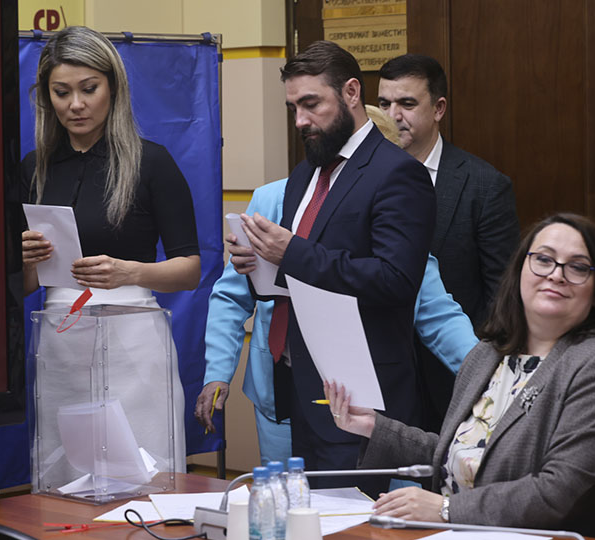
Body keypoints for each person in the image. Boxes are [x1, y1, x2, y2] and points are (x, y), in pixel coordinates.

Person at [325, 213, 595, 538]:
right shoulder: (487, 354)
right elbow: (468, 454)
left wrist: (446, 509)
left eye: (578, 267)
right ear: (519, 271)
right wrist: (374, 427)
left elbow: (559, 492)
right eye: (543, 260)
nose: (557, 274)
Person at [196, 110, 477, 467]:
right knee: (284, 490)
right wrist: (217, 372)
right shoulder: (273, 199)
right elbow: (231, 295)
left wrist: (489, 377)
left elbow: (438, 314)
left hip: (351, 393)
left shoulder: (392, 215)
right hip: (277, 383)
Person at [231, 41, 436, 493]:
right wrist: (260, 265)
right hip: (304, 389)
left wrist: (290, 253)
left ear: (350, 93)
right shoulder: (305, 173)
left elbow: (396, 280)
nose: (300, 121)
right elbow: (301, 278)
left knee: (358, 521)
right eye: (293, 108)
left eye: (311, 104)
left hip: (365, 398)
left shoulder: (398, 173)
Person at [19, 26, 200, 476]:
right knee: (65, 475)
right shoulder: (34, 169)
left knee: (143, 471)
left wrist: (129, 272)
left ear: (113, 88)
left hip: (133, 337)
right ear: (46, 97)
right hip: (60, 339)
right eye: (61, 92)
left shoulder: (151, 162)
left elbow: (189, 269)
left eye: (89, 89)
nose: (75, 105)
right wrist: (25, 262)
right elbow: (22, 287)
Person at [378, 54, 519, 432]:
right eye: (384, 104)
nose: (393, 116)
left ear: (438, 109)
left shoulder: (484, 186)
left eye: (407, 103)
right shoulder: (357, 178)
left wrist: (482, 376)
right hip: (380, 379)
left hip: (452, 380)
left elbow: (502, 297)